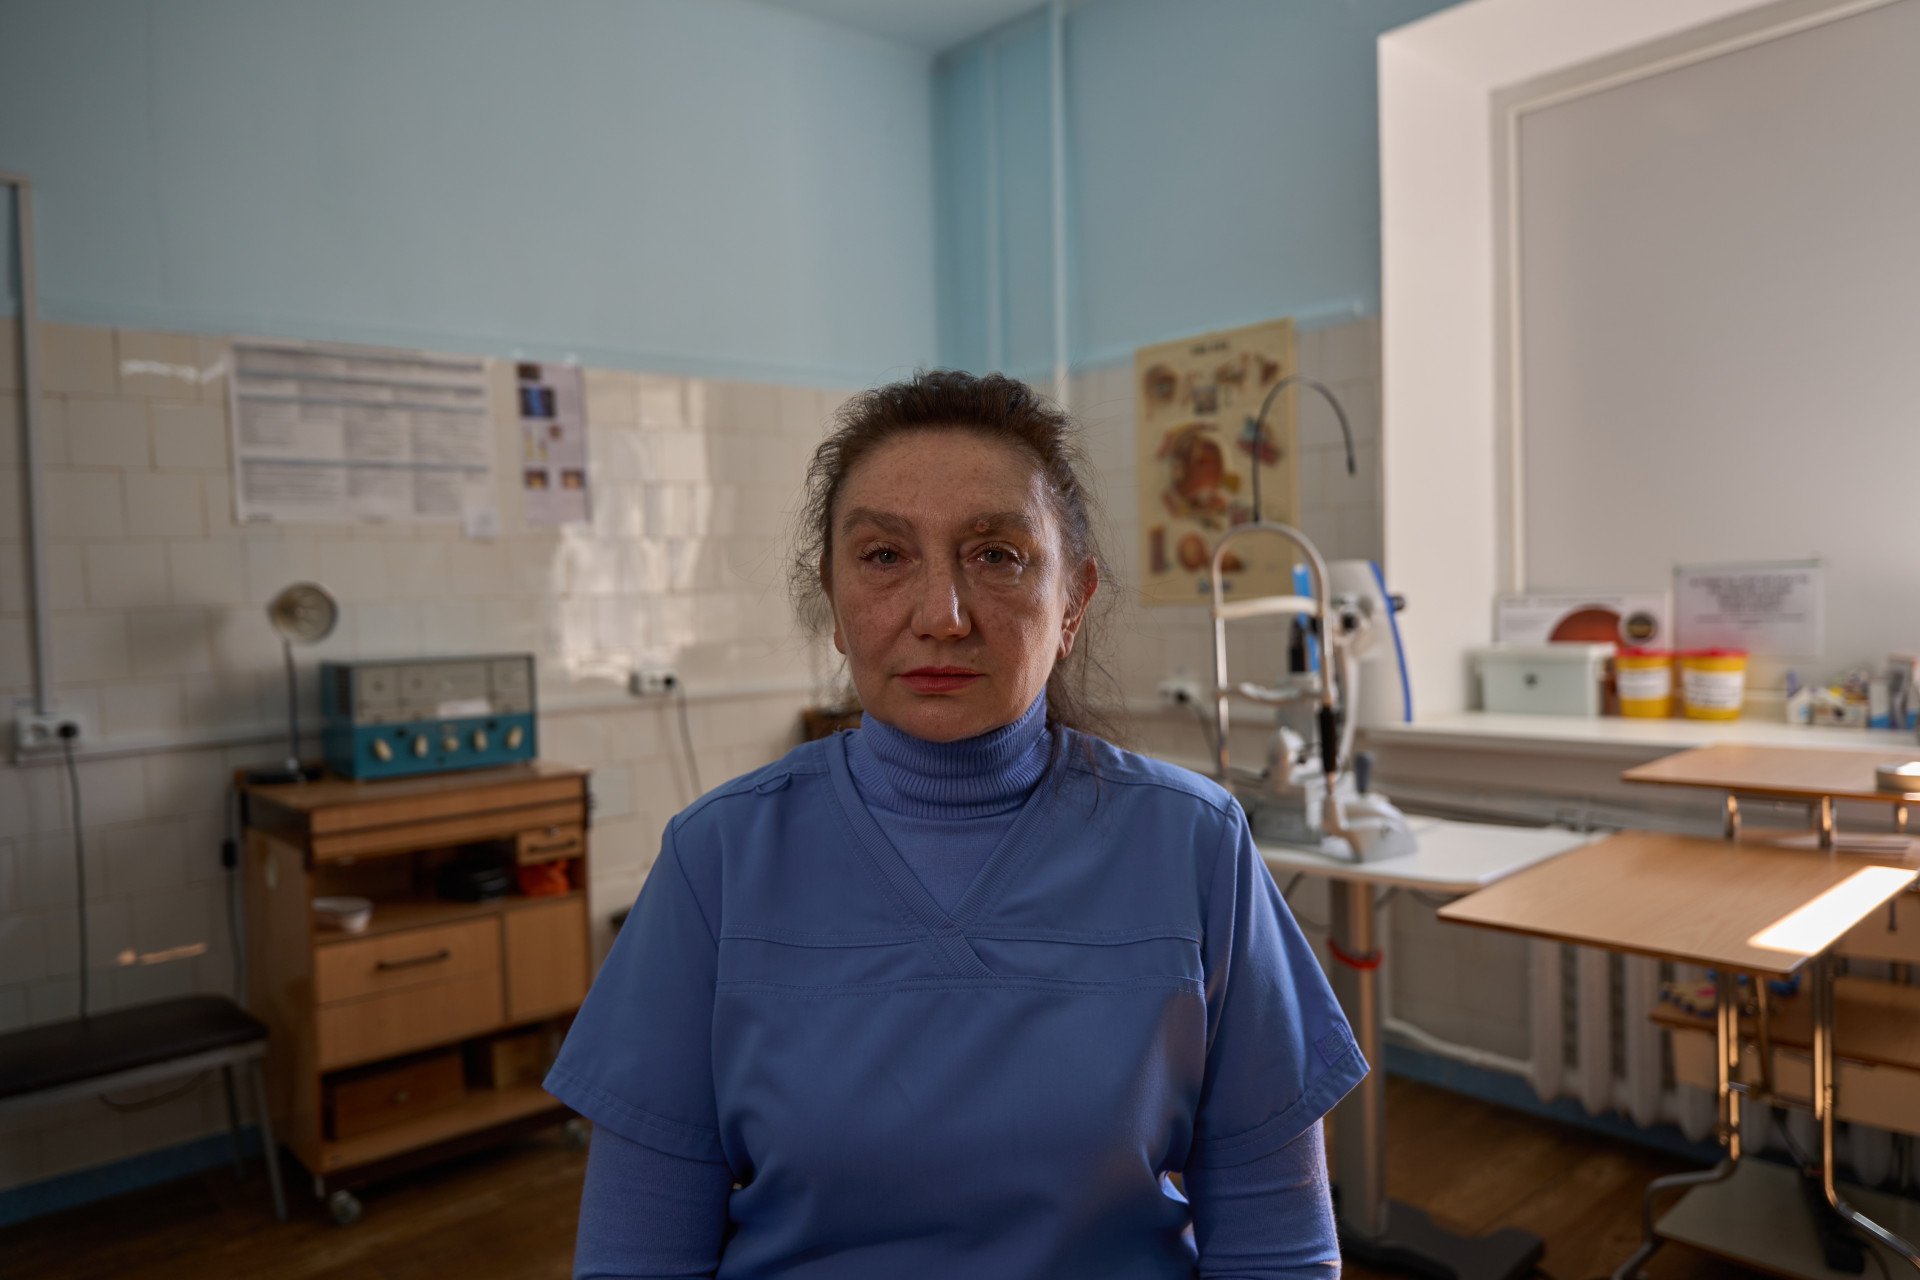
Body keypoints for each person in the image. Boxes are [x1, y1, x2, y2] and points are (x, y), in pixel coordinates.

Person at [545, 371, 1367, 1279]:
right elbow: (637, 1254)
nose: (941, 617)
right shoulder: (719, 861)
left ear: (1073, 602)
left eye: (999, 555)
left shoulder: (1195, 847)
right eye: (885, 556)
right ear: (833, 599)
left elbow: (1277, 1245)